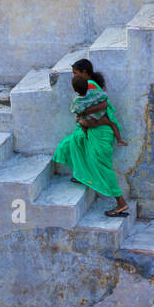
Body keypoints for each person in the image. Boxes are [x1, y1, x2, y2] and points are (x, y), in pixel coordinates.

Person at [54, 74, 131, 217]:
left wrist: (83, 113)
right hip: (93, 128)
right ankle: (81, 174)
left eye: (75, 71)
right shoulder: (91, 91)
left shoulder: (89, 90)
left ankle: (121, 202)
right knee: (71, 143)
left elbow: (105, 104)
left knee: (103, 167)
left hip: (101, 132)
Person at [70, 59, 127, 146]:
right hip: (99, 119)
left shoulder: (90, 85)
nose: (74, 76)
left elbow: (104, 104)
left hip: (95, 122)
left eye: (75, 73)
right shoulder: (89, 87)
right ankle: (119, 140)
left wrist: (83, 112)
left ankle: (85, 136)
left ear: (84, 72)